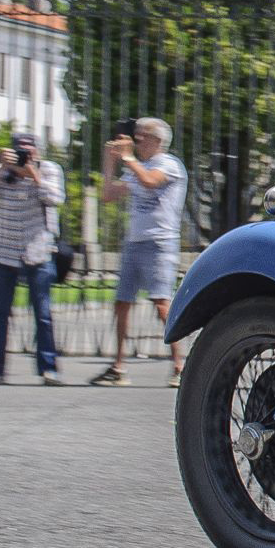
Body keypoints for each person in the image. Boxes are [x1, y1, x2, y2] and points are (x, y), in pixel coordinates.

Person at [91, 117, 188, 387]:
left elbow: (150, 182)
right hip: (134, 242)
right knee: (122, 302)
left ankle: (180, 366)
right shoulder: (137, 166)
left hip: (160, 242)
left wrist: (128, 158)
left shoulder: (169, 164)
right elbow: (108, 195)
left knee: (161, 304)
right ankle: (118, 367)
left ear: (158, 140)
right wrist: (110, 162)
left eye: (142, 135)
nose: (136, 140)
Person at [0, 132, 66, 384]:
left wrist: (34, 175)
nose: (24, 154)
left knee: (42, 312)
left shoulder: (49, 169)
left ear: (37, 151)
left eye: (28, 149)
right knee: (0, 314)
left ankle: (48, 368)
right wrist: (1, 168)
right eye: (19, 149)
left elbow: (55, 198)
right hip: (5, 251)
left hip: (38, 250)